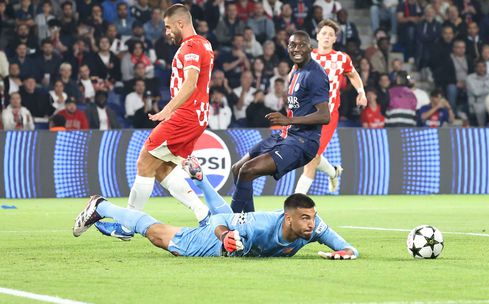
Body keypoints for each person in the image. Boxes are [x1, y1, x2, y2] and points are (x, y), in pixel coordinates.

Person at [94, 4, 215, 240]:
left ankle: (128, 226)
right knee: (162, 169)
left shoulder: (190, 46)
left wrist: (167, 110)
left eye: (169, 27)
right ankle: (204, 215)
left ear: (181, 23)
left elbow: (190, 83)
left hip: (185, 115)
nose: (167, 32)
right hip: (198, 116)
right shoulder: (205, 43)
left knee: (144, 162)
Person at [73, 185, 358, 259]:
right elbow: (220, 218)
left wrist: (346, 253)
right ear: (288, 218)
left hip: (227, 244)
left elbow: (348, 249)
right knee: (157, 235)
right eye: (305, 218)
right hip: (213, 242)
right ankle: (102, 205)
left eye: (313, 216)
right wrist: (223, 236)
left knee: (159, 233)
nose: (312, 223)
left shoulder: (314, 228)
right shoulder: (259, 224)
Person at [231, 30, 330, 213]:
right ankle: (250, 224)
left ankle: (232, 225)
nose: (297, 49)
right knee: (238, 169)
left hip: (302, 142)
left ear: (310, 47)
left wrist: (288, 119)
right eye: (293, 45)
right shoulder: (295, 70)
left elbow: (325, 116)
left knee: (247, 171)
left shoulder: (315, 75)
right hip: (285, 136)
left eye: (302, 45)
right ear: (288, 48)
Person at [294, 20, 366, 195]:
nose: (327, 37)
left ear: (335, 39)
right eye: (324, 33)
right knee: (308, 154)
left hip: (327, 115)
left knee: (311, 158)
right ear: (317, 36)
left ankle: (295, 202)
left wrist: (361, 92)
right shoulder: (306, 57)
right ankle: (333, 172)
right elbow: (293, 81)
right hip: (306, 114)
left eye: (331, 34)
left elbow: (353, 75)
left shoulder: (341, 58)